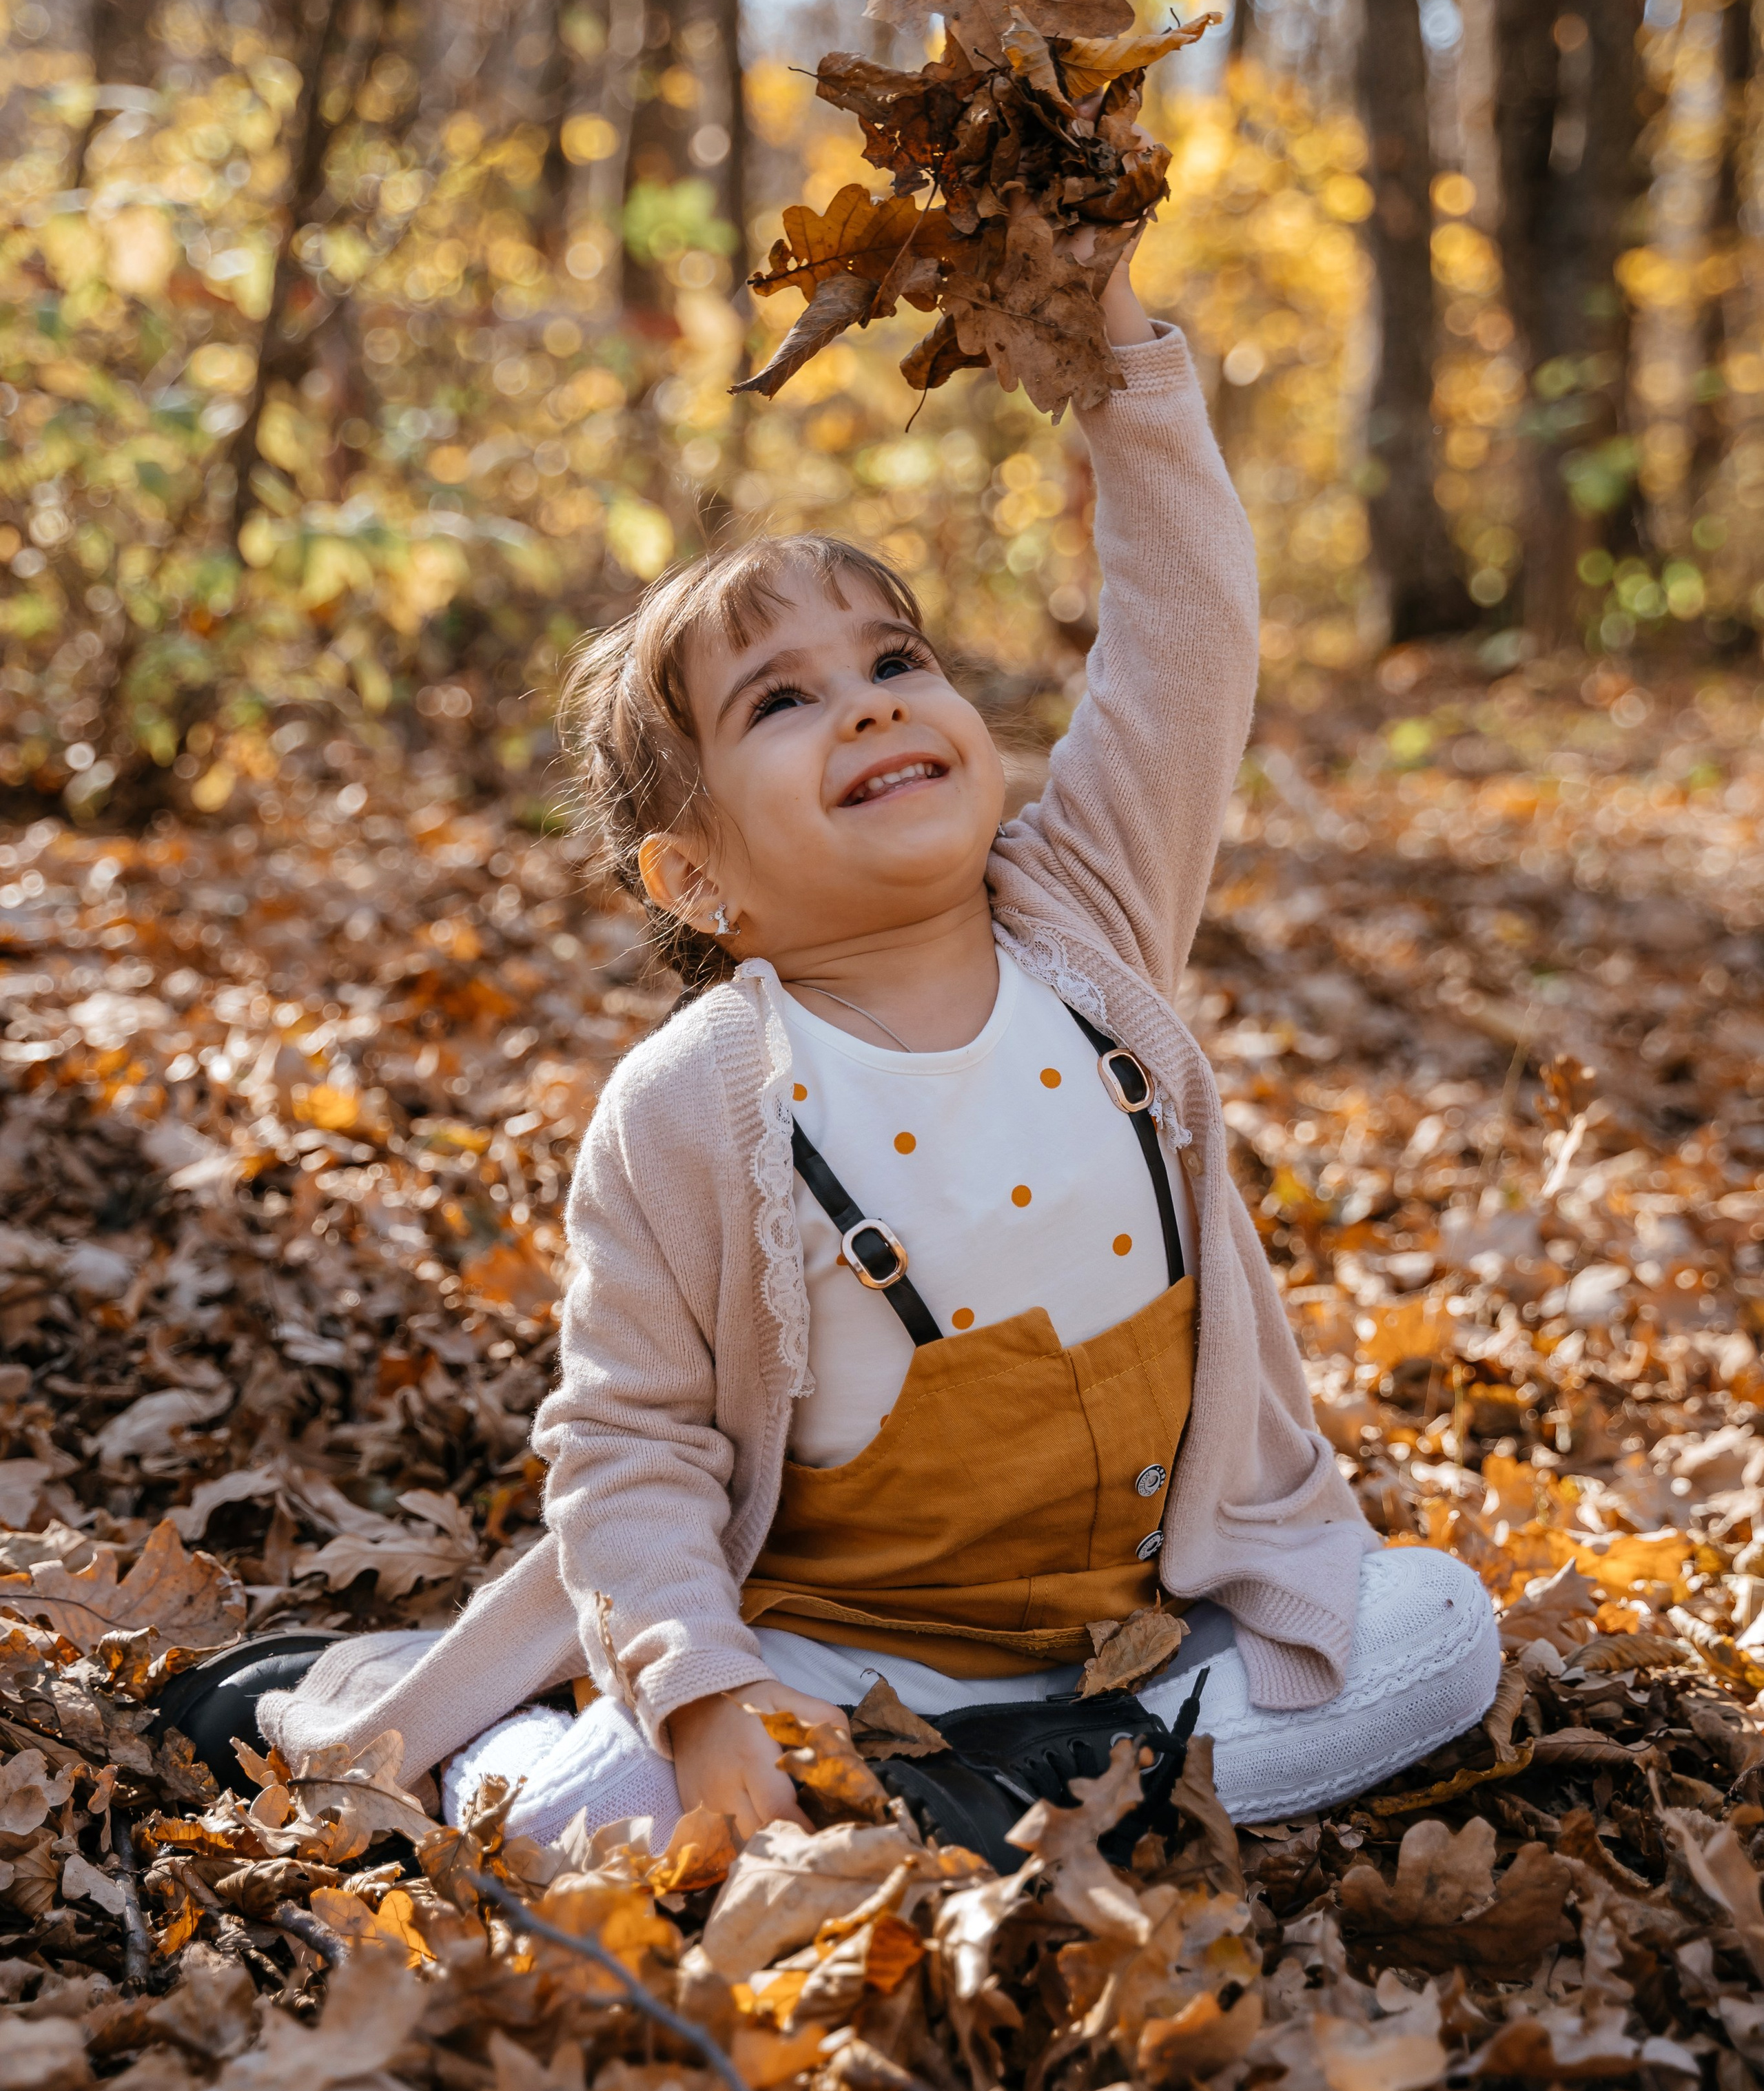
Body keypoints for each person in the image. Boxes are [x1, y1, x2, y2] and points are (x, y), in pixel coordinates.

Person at [258, 245, 1499, 1844]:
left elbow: (1182, 638)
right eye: (778, 702)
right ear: (694, 878)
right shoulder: (693, 1106)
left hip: (1138, 1638)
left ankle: (1007, 1796)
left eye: (894, 662)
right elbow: (625, 1445)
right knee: (607, 1818)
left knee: (1438, 1631)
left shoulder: (1086, 921)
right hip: (836, 1656)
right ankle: (496, 1744)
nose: (865, 704)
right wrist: (709, 1705)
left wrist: (1111, 344)